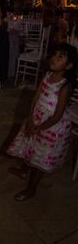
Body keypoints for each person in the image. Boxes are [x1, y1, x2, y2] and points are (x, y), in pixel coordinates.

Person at [6, 44, 77, 201]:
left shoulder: (64, 86)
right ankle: (25, 169)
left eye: (61, 57)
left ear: (69, 65)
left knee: (39, 157)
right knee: (29, 146)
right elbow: (36, 97)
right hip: (37, 117)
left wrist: (39, 128)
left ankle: (31, 189)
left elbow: (58, 115)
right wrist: (31, 118)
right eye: (55, 54)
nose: (54, 58)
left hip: (51, 127)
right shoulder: (47, 75)